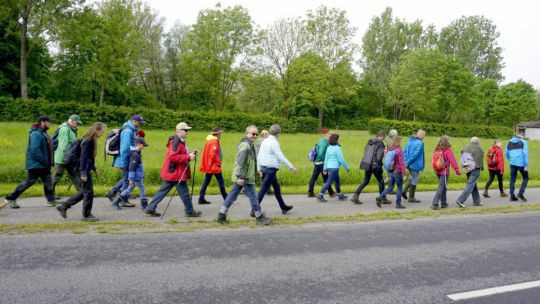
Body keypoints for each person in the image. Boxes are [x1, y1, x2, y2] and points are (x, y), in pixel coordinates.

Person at [217, 125, 273, 225]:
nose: (255, 136)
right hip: (244, 177)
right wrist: (240, 177)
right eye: (253, 134)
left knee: (232, 196)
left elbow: (250, 162)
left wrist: (256, 171)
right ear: (247, 133)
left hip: (245, 176)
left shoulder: (249, 144)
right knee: (253, 196)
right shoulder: (245, 145)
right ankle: (259, 217)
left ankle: (221, 215)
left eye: (256, 134)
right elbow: (240, 162)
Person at [144, 122, 202, 217]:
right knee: (185, 193)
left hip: (173, 172)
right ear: (178, 131)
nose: (188, 132)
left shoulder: (180, 141)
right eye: (185, 130)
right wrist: (188, 157)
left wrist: (191, 154)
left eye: (188, 130)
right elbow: (173, 157)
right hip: (176, 173)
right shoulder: (176, 141)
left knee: (163, 191)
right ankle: (189, 211)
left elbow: (181, 154)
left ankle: (150, 208)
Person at [56, 122, 107, 222]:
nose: (102, 133)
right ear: (97, 130)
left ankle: (64, 206)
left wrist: (94, 168)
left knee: (85, 191)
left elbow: (89, 158)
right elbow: (83, 158)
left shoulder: (90, 139)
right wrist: (83, 173)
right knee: (88, 192)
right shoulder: (88, 141)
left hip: (85, 168)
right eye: (102, 131)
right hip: (82, 169)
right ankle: (86, 215)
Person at [4, 115, 58, 208]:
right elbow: (35, 150)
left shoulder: (43, 133)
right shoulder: (36, 134)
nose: (50, 124)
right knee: (29, 182)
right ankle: (11, 198)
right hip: (37, 164)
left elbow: (45, 147)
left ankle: (51, 200)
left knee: (48, 182)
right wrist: (44, 161)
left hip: (44, 164)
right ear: (42, 122)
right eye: (48, 122)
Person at [256, 124, 297, 215]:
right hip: (271, 170)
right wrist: (291, 167)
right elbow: (280, 156)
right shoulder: (274, 143)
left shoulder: (265, 140)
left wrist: (259, 169)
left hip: (264, 168)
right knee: (264, 189)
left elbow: (259, 155)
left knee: (277, 188)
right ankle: (254, 210)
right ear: (278, 133)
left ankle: (283, 207)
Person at [106, 114, 145, 207]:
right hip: (126, 159)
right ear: (134, 121)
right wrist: (125, 162)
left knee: (126, 179)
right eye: (139, 122)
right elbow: (124, 148)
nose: (140, 125)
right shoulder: (128, 131)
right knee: (127, 180)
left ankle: (114, 193)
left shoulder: (131, 130)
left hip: (127, 158)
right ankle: (122, 200)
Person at [111, 137, 149, 210]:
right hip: (135, 176)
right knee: (142, 188)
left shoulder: (136, 153)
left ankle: (116, 202)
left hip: (136, 176)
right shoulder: (135, 154)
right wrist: (131, 178)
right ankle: (144, 205)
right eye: (143, 145)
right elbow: (132, 167)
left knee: (129, 189)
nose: (144, 146)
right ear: (138, 144)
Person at [351, 130, 387, 205]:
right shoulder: (380, 143)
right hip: (375, 165)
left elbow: (366, 152)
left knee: (366, 180)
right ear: (383, 136)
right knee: (381, 181)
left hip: (367, 164)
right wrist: (381, 163)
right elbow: (379, 156)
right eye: (384, 136)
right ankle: (382, 198)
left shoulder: (370, 142)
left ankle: (356, 195)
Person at [52, 114, 83, 196]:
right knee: (56, 176)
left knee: (74, 174)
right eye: (77, 123)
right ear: (72, 121)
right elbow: (63, 145)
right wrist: (66, 158)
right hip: (62, 158)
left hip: (69, 157)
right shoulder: (65, 129)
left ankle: (82, 191)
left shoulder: (71, 129)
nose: (77, 125)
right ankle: (50, 194)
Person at [198, 127, 228, 205]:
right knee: (221, 182)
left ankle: (201, 198)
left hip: (209, 165)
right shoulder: (214, 142)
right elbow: (213, 155)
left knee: (206, 182)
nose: (221, 134)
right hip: (214, 166)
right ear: (217, 134)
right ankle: (226, 198)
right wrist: (219, 163)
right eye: (220, 133)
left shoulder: (209, 140)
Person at [317, 133, 349, 202]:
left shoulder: (329, 147)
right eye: (339, 138)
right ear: (336, 140)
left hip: (330, 167)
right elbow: (341, 160)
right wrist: (347, 168)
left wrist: (325, 168)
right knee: (328, 182)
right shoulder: (337, 148)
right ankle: (320, 195)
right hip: (334, 168)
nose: (340, 139)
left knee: (337, 181)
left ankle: (340, 195)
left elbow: (326, 158)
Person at [431, 136, 461, 210]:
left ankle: (443, 203)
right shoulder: (448, 151)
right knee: (441, 187)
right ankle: (435, 204)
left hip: (437, 170)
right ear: (448, 142)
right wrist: (457, 171)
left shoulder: (437, 149)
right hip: (444, 172)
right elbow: (453, 161)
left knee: (444, 187)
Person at [377, 136, 407, 209]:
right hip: (398, 172)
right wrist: (404, 174)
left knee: (390, 187)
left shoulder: (390, 150)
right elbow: (402, 163)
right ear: (399, 142)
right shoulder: (399, 151)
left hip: (392, 171)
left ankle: (380, 197)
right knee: (399, 187)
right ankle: (398, 204)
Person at [456, 137, 484, 208]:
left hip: (467, 167)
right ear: (477, 142)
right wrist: (482, 168)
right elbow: (480, 159)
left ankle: (477, 201)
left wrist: (464, 166)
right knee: (470, 184)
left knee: (473, 184)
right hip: (475, 168)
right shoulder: (479, 148)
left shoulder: (465, 147)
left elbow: (462, 156)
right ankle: (460, 200)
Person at [307, 131, 336, 198]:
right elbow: (320, 154)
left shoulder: (321, 140)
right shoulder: (324, 143)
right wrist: (326, 161)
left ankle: (310, 192)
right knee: (326, 178)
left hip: (317, 162)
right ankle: (331, 193)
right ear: (329, 136)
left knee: (314, 178)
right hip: (321, 163)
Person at [402, 130, 425, 203]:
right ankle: (411, 197)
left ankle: (405, 191)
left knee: (412, 178)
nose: (424, 137)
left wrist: (406, 162)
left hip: (408, 164)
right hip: (415, 164)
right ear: (421, 135)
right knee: (415, 179)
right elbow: (415, 155)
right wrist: (408, 162)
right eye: (424, 135)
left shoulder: (409, 141)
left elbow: (404, 152)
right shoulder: (419, 143)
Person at [505, 131, 529, 202]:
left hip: (512, 163)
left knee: (512, 179)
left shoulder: (509, 141)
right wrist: (526, 165)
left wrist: (510, 159)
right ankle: (520, 193)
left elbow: (506, 152)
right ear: (522, 136)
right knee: (525, 178)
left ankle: (512, 196)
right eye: (523, 135)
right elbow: (525, 154)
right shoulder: (524, 142)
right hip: (521, 164)